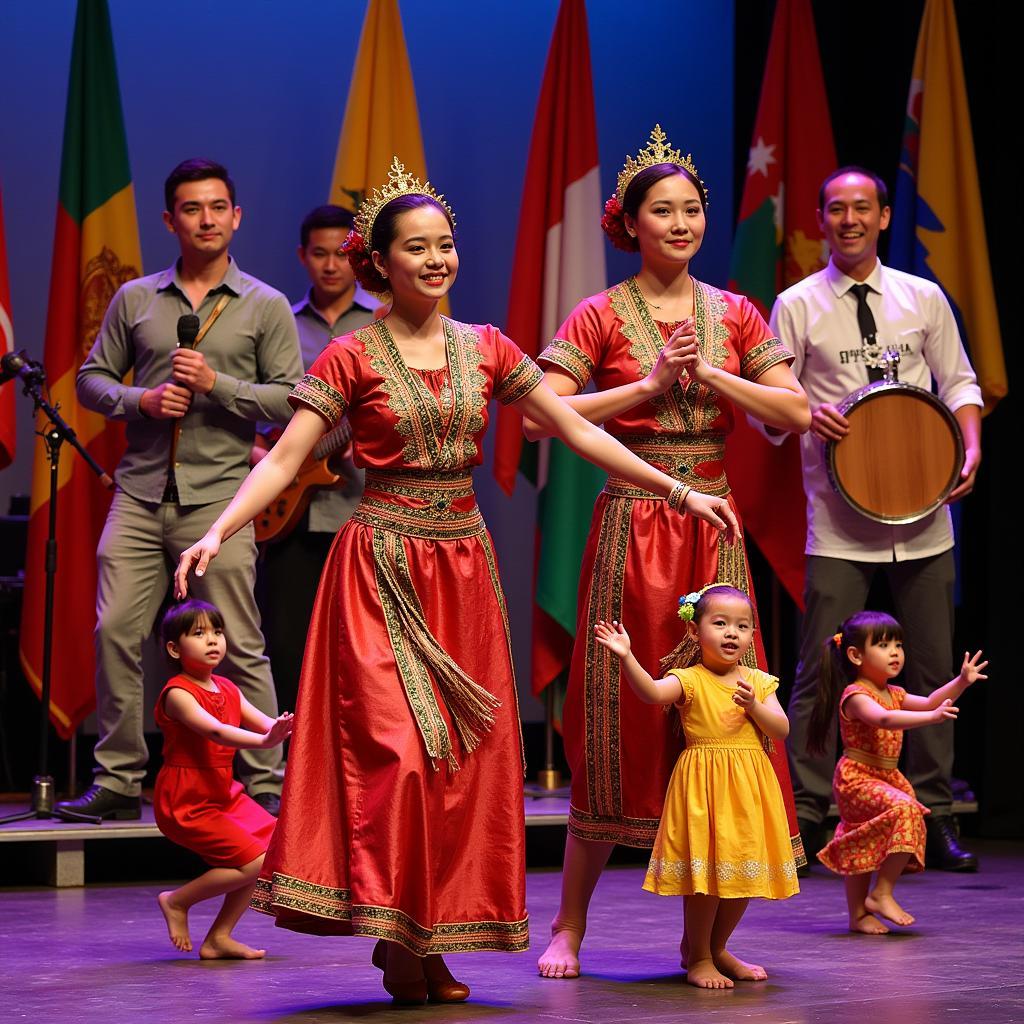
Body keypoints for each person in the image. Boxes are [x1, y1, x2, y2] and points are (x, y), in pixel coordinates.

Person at [173, 156, 739, 1005]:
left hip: (464, 566)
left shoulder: (487, 348)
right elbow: (290, 455)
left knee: (458, 767)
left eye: (446, 245)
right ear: (381, 263)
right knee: (399, 756)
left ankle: (427, 943)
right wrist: (219, 526)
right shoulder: (351, 356)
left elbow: (574, 432)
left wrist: (680, 487)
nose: (437, 260)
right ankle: (398, 935)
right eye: (417, 249)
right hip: (382, 571)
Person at [524, 125, 811, 980]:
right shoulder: (601, 313)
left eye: (691, 210)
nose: (680, 224)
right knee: (617, 721)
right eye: (663, 211)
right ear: (630, 223)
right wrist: (647, 387)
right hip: (634, 523)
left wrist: (714, 376)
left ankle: (708, 942)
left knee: (724, 715)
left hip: (713, 527)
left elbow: (793, 413)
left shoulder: (735, 312)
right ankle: (570, 924)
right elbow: (544, 412)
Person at [58, 158, 303, 822]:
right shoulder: (137, 298)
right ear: (170, 220)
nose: (206, 219)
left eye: (218, 207)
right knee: (115, 631)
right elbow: (90, 380)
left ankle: (264, 780)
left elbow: (292, 400)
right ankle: (117, 778)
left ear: (236, 216)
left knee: (238, 641)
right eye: (192, 209)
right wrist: (141, 399)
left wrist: (217, 387)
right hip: (139, 493)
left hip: (222, 499)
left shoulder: (266, 304)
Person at [764, 167, 984, 872]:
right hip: (838, 519)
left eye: (863, 208)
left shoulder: (923, 298)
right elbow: (772, 405)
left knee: (929, 666)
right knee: (818, 672)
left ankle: (935, 813)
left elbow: (959, 384)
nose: (849, 220)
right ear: (822, 219)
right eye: (836, 209)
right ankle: (804, 817)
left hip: (923, 519)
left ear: (885, 217)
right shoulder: (796, 304)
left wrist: (971, 445)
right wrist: (803, 411)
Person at [593, 585, 797, 988]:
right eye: (719, 623)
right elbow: (652, 694)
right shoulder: (689, 678)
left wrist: (754, 706)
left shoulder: (758, 681)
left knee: (743, 872)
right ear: (694, 632)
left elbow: (782, 728)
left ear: (752, 634)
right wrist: (627, 657)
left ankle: (718, 947)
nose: (731, 633)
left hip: (750, 787)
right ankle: (699, 955)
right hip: (705, 787)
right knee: (707, 878)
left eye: (741, 626)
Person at [257, 204, 376, 714]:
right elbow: (257, 397)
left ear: (358, 258)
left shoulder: (385, 319)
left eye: (340, 254)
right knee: (284, 636)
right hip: (291, 513)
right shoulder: (278, 318)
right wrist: (258, 448)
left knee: (362, 642)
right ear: (303, 257)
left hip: (362, 507)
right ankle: (288, 754)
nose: (331, 266)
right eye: (319, 254)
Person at [808, 611, 987, 933]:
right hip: (857, 778)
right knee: (905, 810)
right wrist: (932, 718)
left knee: (860, 838)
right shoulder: (856, 695)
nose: (895, 652)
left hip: (887, 776)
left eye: (898, 644)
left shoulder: (896, 693)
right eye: (884, 644)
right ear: (855, 655)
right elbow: (885, 720)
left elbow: (934, 698)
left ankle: (859, 915)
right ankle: (881, 893)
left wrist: (961, 681)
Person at [154, 600, 293, 958]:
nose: (213, 640)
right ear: (174, 648)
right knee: (256, 862)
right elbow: (217, 731)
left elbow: (266, 724)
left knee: (272, 851)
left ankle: (218, 938)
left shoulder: (228, 688)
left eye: (217, 631)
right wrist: (266, 741)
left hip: (223, 795)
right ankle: (177, 901)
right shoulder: (178, 695)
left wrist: (287, 727)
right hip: (187, 799)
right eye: (199, 633)